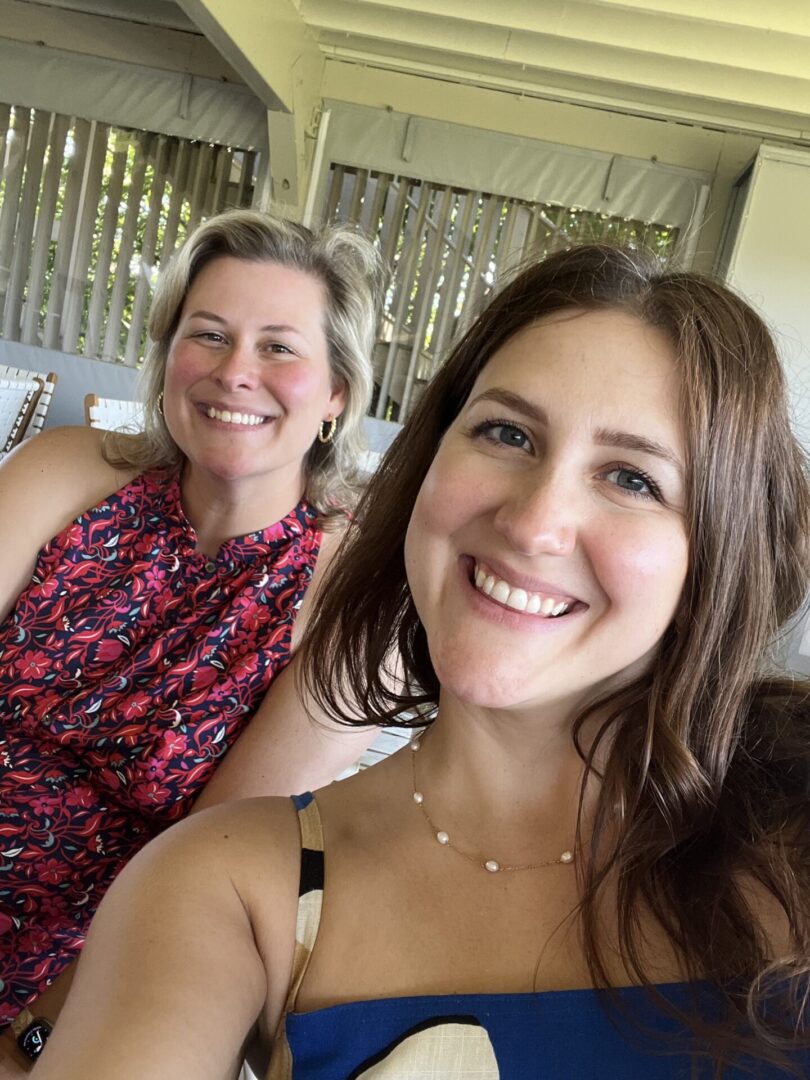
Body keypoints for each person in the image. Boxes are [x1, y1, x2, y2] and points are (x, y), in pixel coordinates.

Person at [30, 245, 810, 1079]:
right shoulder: (227, 886)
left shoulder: (787, 824)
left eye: (632, 478)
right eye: (507, 432)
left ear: (717, 555)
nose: (534, 523)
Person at [0, 209, 384, 1069]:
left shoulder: (348, 596)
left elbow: (199, 860)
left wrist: (36, 1036)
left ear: (335, 396)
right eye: (207, 334)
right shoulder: (68, 471)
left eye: (280, 348)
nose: (234, 372)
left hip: (93, 957)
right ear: (168, 359)